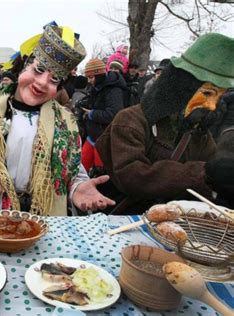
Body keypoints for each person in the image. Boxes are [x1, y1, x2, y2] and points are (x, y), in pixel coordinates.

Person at [0, 23, 115, 216]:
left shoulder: (66, 123)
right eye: (38, 69)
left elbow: (74, 173)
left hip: (47, 221)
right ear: (23, 66)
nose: (42, 82)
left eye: (54, 79)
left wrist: (77, 189)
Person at [96, 33, 234, 214]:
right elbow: (131, 176)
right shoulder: (131, 119)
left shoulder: (199, 132)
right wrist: (203, 173)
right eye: (208, 93)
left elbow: (208, 186)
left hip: (176, 226)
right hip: (124, 221)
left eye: (219, 96)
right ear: (181, 87)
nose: (212, 105)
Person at [82, 58, 126, 175]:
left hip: (104, 140)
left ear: (99, 74)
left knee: (101, 174)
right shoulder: (97, 86)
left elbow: (114, 114)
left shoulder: (113, 90)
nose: (89, 81)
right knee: (80, 169)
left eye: (91, 77)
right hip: (92, 137)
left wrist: (91, 114)